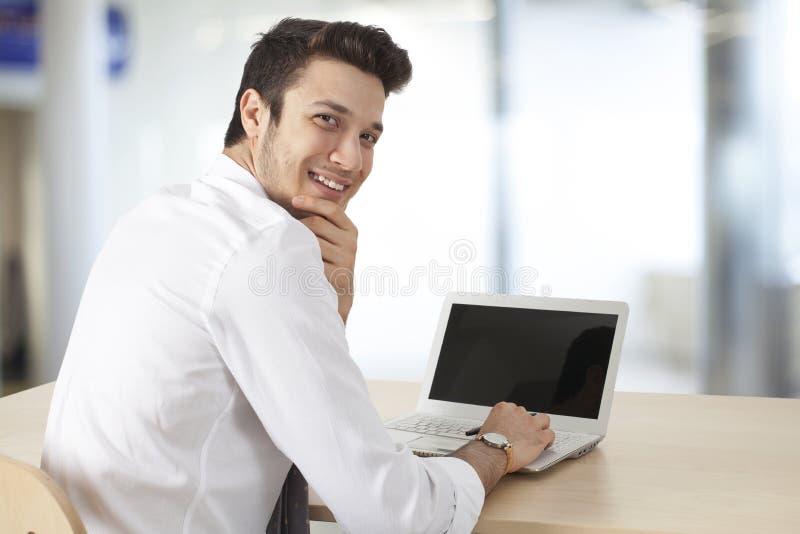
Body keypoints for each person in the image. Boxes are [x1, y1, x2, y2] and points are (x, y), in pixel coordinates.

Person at [41, 18, 555, 533]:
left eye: (368, 136)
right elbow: (395, 516)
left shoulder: (158, 213)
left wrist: (329, 309)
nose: (351, 158)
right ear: (256, 113)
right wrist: (495, 447)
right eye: (328, 119)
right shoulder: (266, 244)